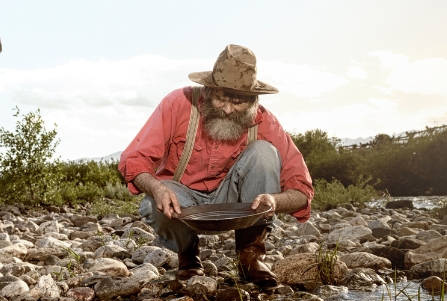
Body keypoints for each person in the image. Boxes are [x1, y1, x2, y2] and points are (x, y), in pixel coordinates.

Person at [119, 44, 314, 286]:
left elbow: (302, 191)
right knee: (152, 203)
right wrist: (157, 188)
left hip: (239, 205)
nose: (228, 109)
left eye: (239, 101)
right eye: (221, 98)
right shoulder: (177, 104)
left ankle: (249, 257)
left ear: (254, 99)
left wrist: (274, 201)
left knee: (264, 152)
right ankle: (188, 256)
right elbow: (134, 159)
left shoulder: (266, 123)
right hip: (184, 202)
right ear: (208, 90)